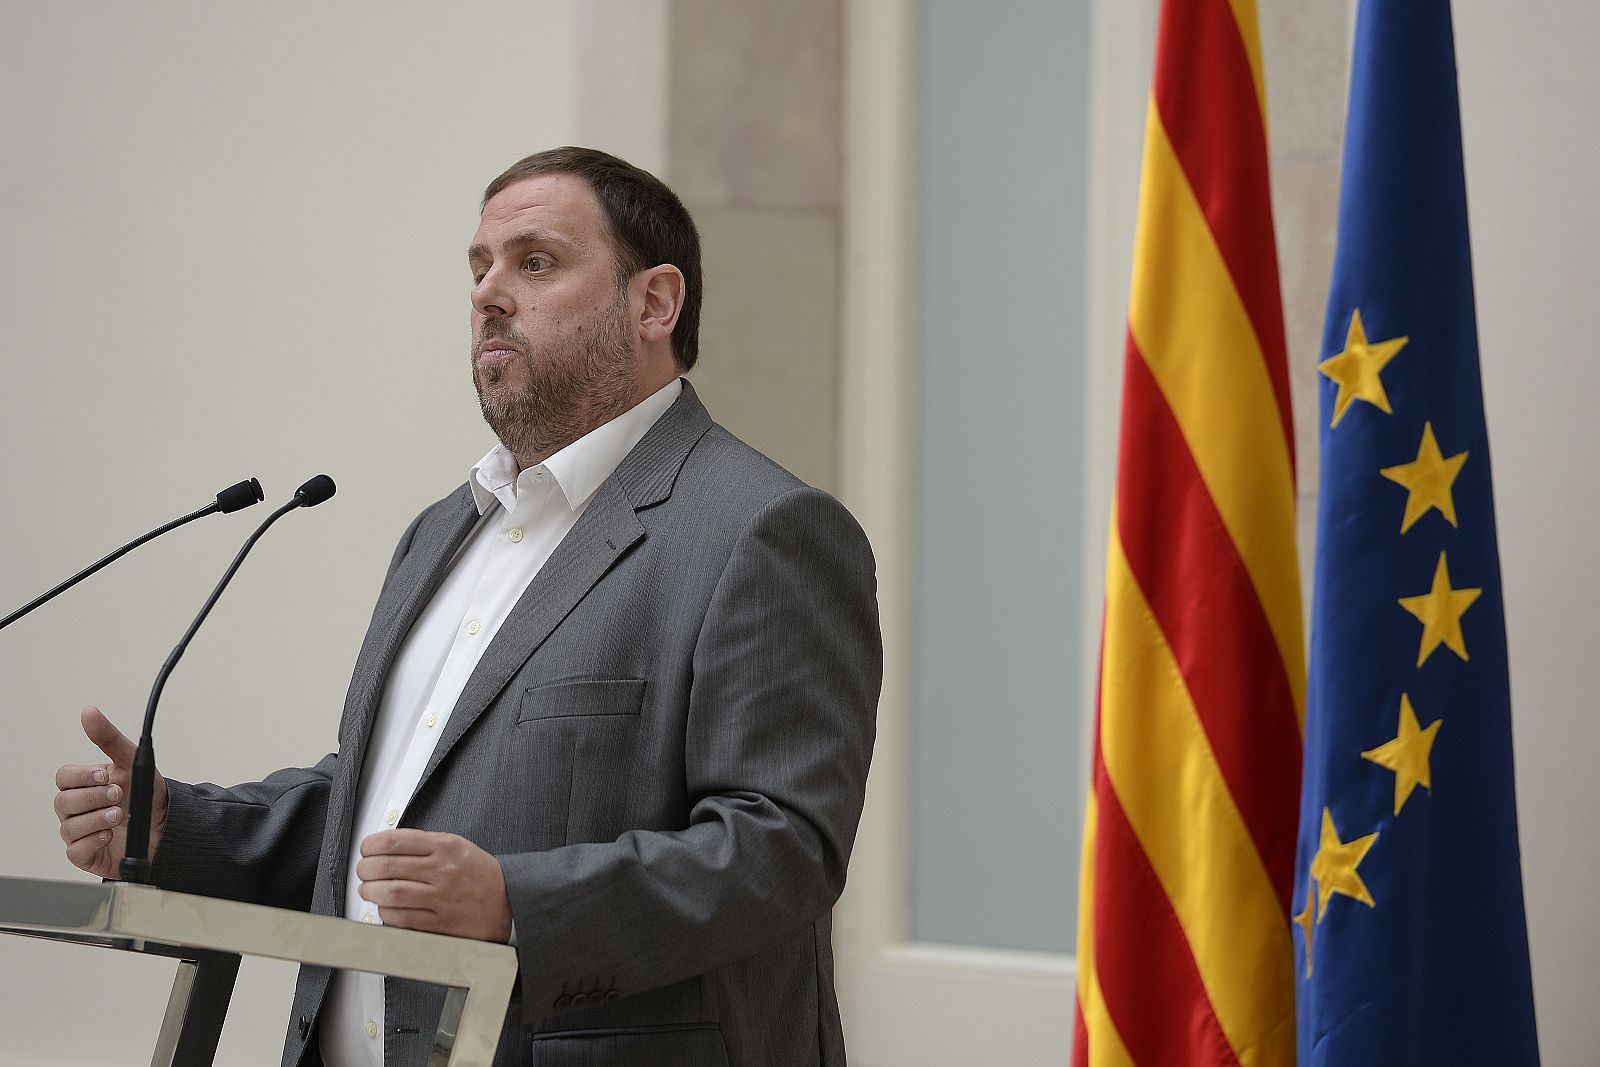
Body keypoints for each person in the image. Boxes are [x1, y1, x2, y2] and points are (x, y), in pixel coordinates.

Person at [51, 147, 882, 1067]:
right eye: (479, 266)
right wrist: (180, 828)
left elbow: (783, 849)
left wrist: (518, 904)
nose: (489, 293)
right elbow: (382, 807)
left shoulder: (760, 529)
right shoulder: (443, 531)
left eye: (536, 262)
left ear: (654, 303)